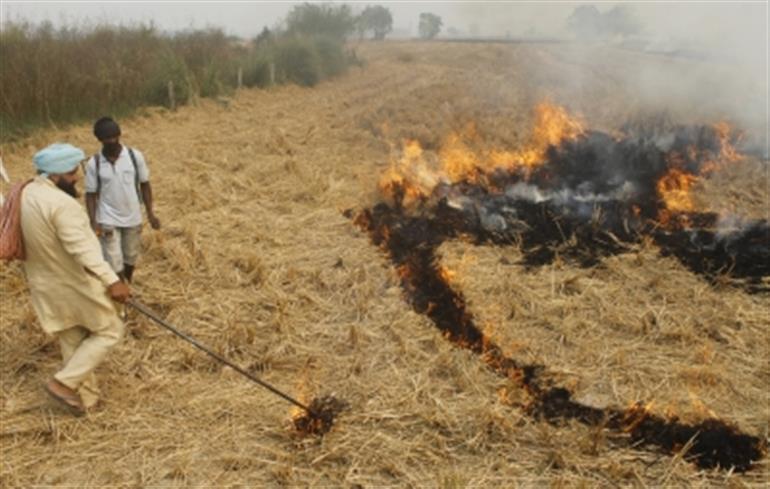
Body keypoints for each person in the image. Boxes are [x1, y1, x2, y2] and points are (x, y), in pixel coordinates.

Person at [20, 143, 130, 416]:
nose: (77, 177)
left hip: (44, 284)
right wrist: (112, 280)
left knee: (72, 337)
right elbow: (81, 249)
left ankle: (86, 401)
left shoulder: (25, 194)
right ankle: (63, 383)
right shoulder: (61, 204)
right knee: (109, 330)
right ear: (55, 175)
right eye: (71, 172)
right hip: (73, 283)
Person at [85, 117, 160, 282]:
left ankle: (127, 282)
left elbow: (145, 185)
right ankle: (120, 286)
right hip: (107, 217)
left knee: (130, 255)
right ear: (99, 140)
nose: (111, 141)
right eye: (107, 139)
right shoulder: (94, 163)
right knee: (112, 258)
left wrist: (150, 213)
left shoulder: (134, 156)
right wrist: (93, 220)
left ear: (119, 135)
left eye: (114, 137)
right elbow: (90, 194)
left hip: (132, 216)